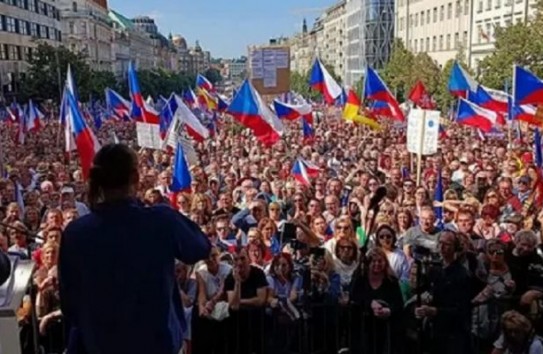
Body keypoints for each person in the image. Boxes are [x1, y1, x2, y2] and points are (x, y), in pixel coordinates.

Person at [58, 144, 211, 354]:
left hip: (100, 344)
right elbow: (200, 247)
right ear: (136, 177)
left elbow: (69, 304)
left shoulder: (76, 233)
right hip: (155, 342)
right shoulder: (159, 220)